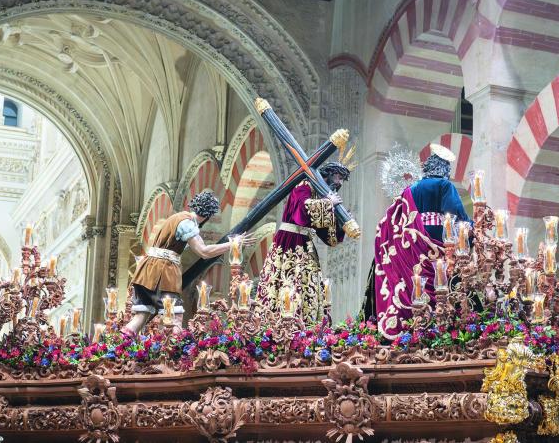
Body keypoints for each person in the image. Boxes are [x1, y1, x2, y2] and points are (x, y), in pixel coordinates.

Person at [362, 144, 470, 339]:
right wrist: (471, 226)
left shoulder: (410, 189)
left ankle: (412, 322)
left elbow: (395, 217)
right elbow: (454, 212)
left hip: (412, 245)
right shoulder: (444, 186)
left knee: (415, 279)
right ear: (444, 169)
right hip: (438, 237)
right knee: (448, 279)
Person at [123, 191, 254, 335]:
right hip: (162, 272)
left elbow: (201, 245)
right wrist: (233, 244)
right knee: (175, 318)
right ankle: (172, 353)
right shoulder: (187, 223)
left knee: (140, 317)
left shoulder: (178, 218)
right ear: (207, 216)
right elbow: (204, 252)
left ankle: (118, 347)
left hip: (146, 272)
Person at [255, 161, 352, 325]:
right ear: (327, 173)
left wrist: (341, 223)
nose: (339, 183)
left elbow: (328, 236)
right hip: (289, 242)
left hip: (306, 245)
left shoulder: (321, 196)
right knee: (287, 283)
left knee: (308, 286)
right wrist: (328, 203)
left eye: (343, 179)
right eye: (338, 177)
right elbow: (301, 209)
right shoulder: (305, 184)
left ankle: (306, 325)